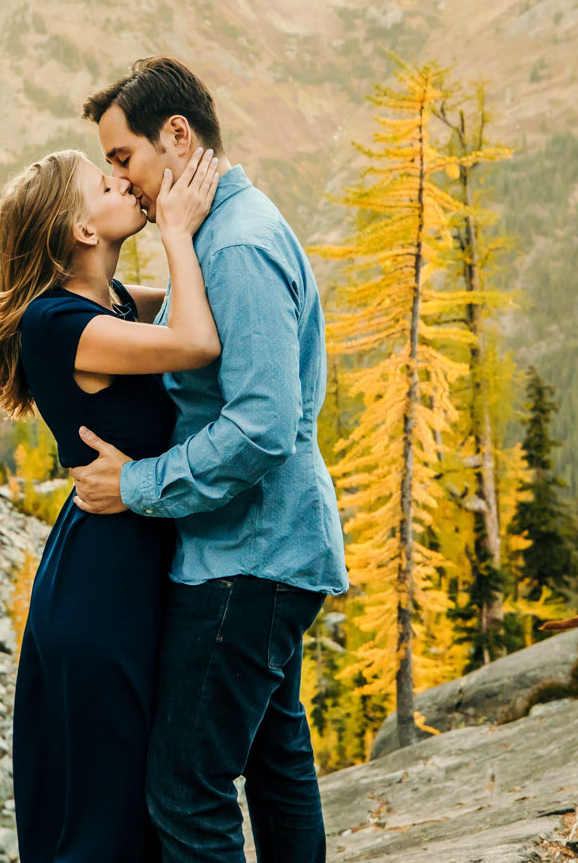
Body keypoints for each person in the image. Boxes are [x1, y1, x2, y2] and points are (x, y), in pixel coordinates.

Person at [70, 57, 347, 863]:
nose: (122, 180)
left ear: (177, 136)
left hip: (242, 562)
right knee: (275, 759)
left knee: (185, 790)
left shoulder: (236, 246)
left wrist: (136, 484)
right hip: (270, 552)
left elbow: (262, 425)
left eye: (123, 157)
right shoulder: (222, 232)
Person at [0, 145, 223, 863]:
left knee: (133, 810)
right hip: (103, 591)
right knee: (106, 821)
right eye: (105, 179)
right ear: (80, 228)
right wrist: (177, 229)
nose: (123, 180)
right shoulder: (55, 324)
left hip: (123, 565)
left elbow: (200, 295)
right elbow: (196, 339)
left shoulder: (113, 304)